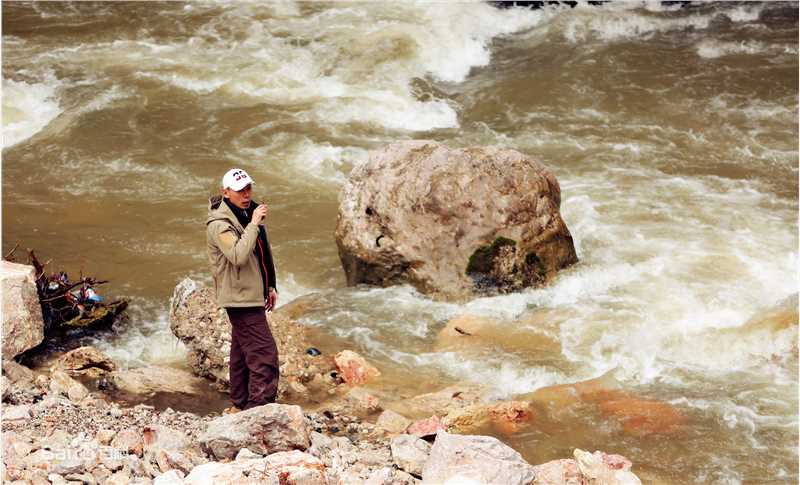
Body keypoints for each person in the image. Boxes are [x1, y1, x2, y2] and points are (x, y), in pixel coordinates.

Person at [206, 168, 279, 412]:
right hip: (239, 298)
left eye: (248, 189)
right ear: (225, 192)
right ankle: (259, 410)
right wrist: (255, 223)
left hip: (250, 293)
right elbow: (237, 255)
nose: (246, 195)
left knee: (241, 354)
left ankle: (240, 404)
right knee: (264, 355)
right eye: (240, 191)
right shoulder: (220, 225)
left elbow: (261, 252)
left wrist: (270, 285)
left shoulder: (245, 213)